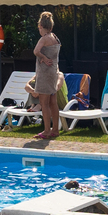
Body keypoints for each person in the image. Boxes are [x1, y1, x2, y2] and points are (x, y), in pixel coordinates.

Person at [28, 11, 63, 141]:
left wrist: (43, 57)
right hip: (53, 73)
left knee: (44, 103)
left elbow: (36, 51)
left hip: (44, 74)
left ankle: (47, 130)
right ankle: (55, 129)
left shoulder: (44, 39)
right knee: (53, 102)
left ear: (41, 26)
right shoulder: (55, 38)